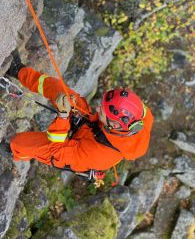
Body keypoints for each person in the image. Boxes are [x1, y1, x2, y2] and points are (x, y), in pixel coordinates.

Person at [6, 50, 154, 174]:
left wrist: (63, 116)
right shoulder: (142, 114)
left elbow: (57, 149)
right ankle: (19, 70)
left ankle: (12, 150)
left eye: (102, 112)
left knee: (20, 143)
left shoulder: (99, 156)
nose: (97, 108)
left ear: (114, 125)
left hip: (71, 152)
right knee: (61, 92)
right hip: (89, 127)